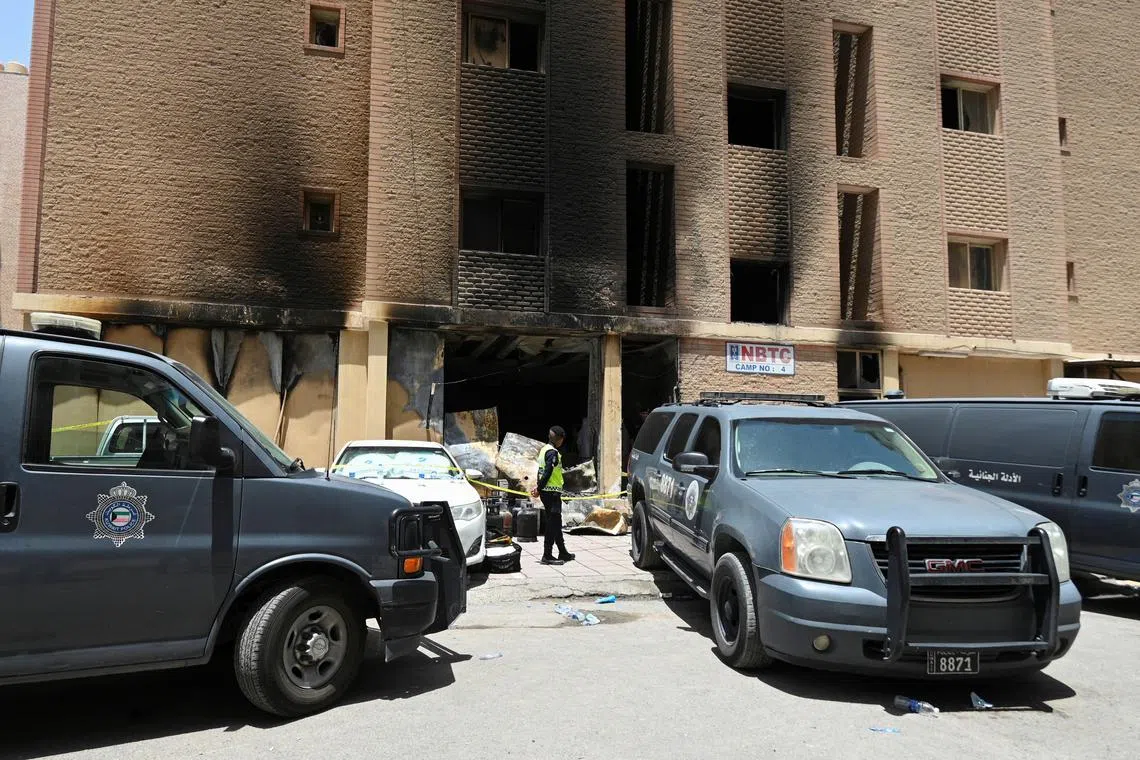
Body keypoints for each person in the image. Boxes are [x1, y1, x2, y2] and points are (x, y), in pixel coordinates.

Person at [531, 426, 575, 565]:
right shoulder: (552, 453)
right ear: (559, 439)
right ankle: (547, 555)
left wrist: (539, 486)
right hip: (551, 493)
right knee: (552, 523)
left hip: (548, 491)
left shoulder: (544, 450)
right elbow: (548, 472)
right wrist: (539, 488)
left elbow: (540, 471)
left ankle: (562, 551)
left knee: (556, 522)